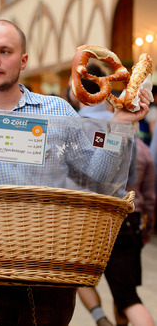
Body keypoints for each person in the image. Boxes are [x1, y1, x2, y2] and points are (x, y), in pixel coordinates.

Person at [0, 20, 151, 326]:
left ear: (23, 60)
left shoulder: (57, 112)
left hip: (50, 268)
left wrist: (122, 123)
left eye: (5, 51)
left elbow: (98, 177)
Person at [75, 66, 155, 326]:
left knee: (78, 276)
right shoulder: (129, 131)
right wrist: (146, 224)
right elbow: (147, 192)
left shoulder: (77, 124)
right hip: (128, 220)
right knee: (125, 292)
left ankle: (101, 320)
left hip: (89, 219)